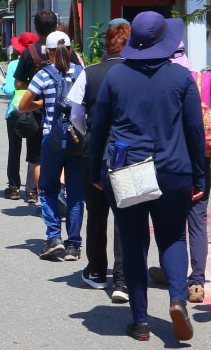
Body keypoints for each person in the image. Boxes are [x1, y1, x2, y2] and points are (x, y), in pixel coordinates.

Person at [87, 12, 206, 343]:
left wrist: (97, 169)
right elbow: (195, 131)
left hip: (128, 171)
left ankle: (140, 322)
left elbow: (99, 129)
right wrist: (199, 175)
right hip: (174, 170)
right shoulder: (182, 79)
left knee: (135, 242)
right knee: (173, 238)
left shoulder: (116, 77)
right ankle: (178, 300)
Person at [148, 43, 211, 303]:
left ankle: (170, 271)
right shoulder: (202, 78)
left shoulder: (159, 79)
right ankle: (196, 281)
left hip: (168, 156)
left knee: (167, 219)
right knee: (198, 218)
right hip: (200, 156)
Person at [67, 18, 130, 301]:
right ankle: (122, 279)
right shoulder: (139, 73)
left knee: (96, 212)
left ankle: (95, 270)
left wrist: (90, 133)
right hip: (129, 150)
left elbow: (76, 116)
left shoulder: (89, 72)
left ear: (107, 43)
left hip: (94, 149)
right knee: (125, 216)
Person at [18, 31, 85, 261]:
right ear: (70, 49)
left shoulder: (43, 75)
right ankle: (74, 246)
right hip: (78, 139)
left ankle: (54, 237)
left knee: (47, 189)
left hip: (51, 139)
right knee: (76, 193)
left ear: (48, 52)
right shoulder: (81, 73)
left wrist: (44, 102)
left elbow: (23, 105)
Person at [13, 10, 83, 204]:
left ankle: (41, 197)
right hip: (70, 116)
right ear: (56, 26)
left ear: (36, 28)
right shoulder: (71, 53)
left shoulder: (30, 52)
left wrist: (39, 90)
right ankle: (63, 192)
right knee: (67, 154)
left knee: (37, 158)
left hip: (39, 115)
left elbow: (18, 84)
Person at [0, 31, 39, 200]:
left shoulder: (14, 64)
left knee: (14, 150)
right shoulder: (41, 63)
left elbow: (9, 89)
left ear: (18, 50)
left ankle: (14, 187)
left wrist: (3, 86)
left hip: (15, 111)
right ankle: (31, 191)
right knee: (34, 151)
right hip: (35, 109)